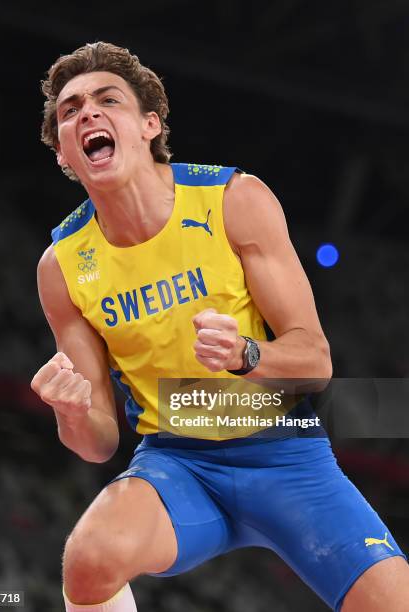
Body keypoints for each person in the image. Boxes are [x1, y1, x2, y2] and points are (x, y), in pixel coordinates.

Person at [31, 41, 408, 612]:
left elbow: (316, 361)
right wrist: (74, 412)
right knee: (89, 562)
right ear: (63, 150)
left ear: (149, 124)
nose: (87, 113)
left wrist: (247, 356)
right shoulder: (61, 267)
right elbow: (100, 442)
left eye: (108, 100)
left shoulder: (234, 199)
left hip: (287, 456)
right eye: (70, 109)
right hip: (178, 462)